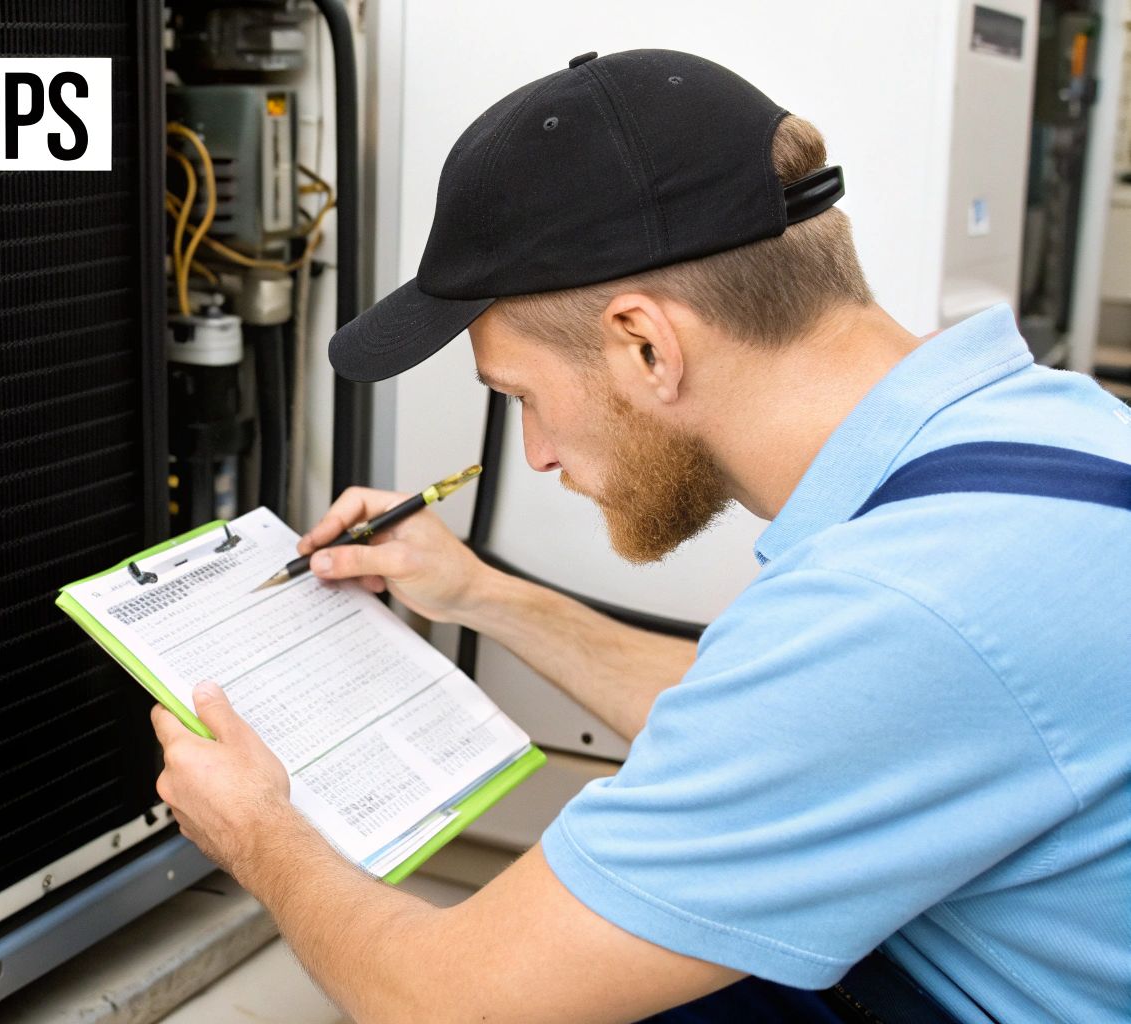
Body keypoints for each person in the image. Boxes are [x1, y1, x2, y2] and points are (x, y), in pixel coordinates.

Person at [148, 49, 1130, 1023]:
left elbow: (448, 1001)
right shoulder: (1034, 428)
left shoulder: (897, 606)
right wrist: (481, 593)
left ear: (646, 344)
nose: (530, 453)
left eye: (518, 395)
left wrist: (256, 829)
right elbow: (786, 722)